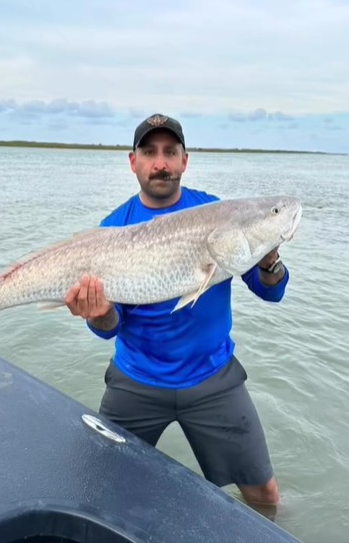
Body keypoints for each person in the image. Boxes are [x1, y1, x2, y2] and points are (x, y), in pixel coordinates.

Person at [65, 114, 289, 510]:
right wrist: (97, 314)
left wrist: (269, 262)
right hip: (136, 380)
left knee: (265, 495)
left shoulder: (220, 214)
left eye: (171, 152)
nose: (161, 163)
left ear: (185, 160)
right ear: (133, 162)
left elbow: (269, 291)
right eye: (150, 152)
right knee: (98, 487)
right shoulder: (112, 229)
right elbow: (108, 327)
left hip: (213, 379)